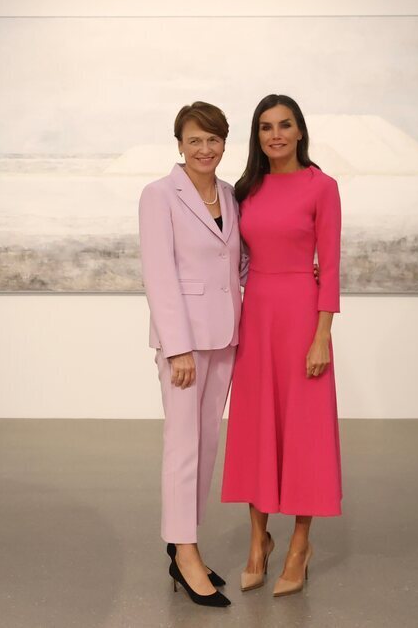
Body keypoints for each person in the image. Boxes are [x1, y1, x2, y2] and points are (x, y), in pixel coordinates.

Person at [221, 94, 343, 598]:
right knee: (256, 429)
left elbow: (330, 267)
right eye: (266, 127)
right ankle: (258, 542)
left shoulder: (323, 186)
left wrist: (321, 338)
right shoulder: (245, 189)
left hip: (301, 318)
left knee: (304, 432)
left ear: (299, 131)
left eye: (284, 125)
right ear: (258, 135)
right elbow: (232, 254)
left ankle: (299, 545)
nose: (275, 134)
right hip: (257, 315)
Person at [138, 101, 243, 608]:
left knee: (205, 445)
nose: (205, 149)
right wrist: (177, 348)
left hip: (225, 338)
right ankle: (184, 553)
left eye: (214, 139)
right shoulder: (158, 196)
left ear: (225, 143)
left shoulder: (228, 194)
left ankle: (186, 544)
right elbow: (159, 276)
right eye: (195, 140)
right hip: (185, 345)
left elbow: (233, 263)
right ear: (179, 143)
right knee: (182, 446)